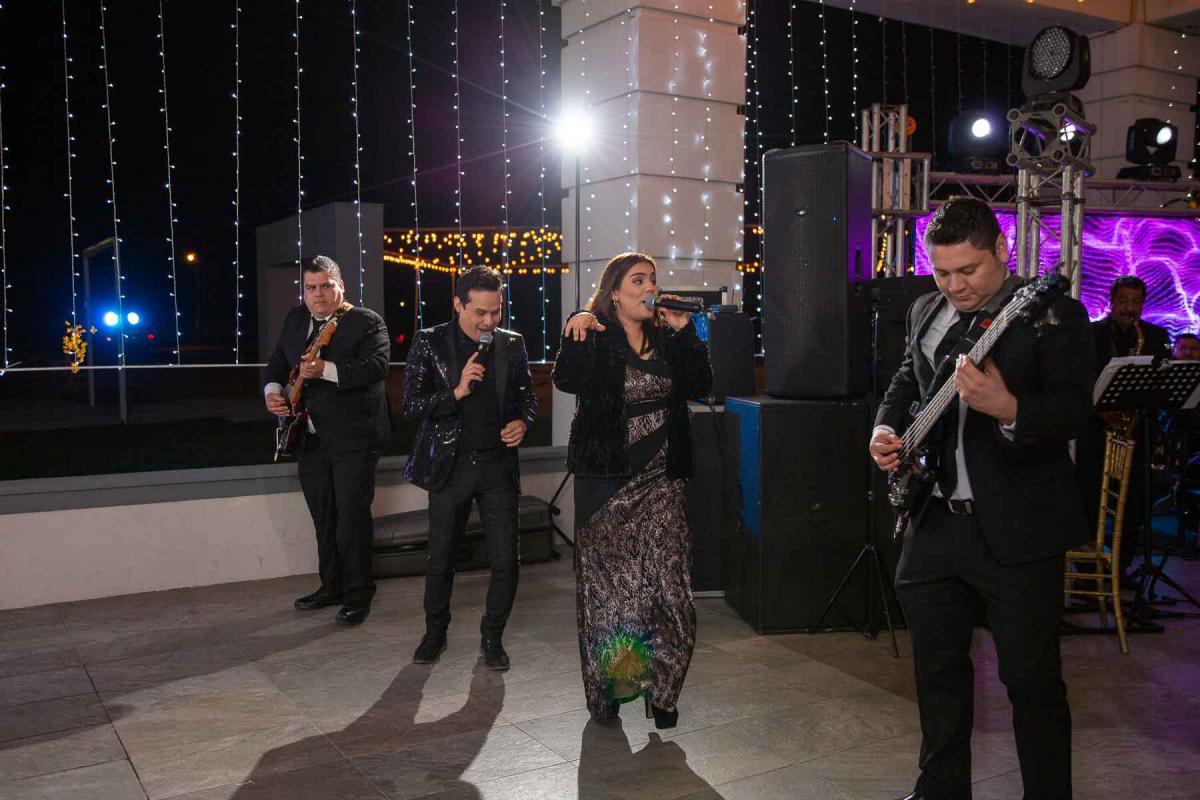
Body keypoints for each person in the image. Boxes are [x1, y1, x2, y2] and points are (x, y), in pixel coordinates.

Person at [868, 198, 1093, 800]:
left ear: (1001, 250)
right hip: (936, 519)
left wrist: (1010, 408)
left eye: (968, 270)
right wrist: (885, 429)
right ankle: (940, 790)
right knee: (937, 673)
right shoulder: (925, 309)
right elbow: (906, 380)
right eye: (942, 272)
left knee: (1031, 682)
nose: (954, 285)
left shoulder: (1053, 315)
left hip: (1020, 527)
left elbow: (1075, 410)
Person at [553, 252, 712, 729]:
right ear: (614, 294)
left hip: (663, 484)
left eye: (652, 280)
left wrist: (686, 332)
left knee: (673, 595)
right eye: (637, 281)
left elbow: (701, 385)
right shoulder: (596, 336)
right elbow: (566, 379)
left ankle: (662, 692)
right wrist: (576, 325)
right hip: (608, 487)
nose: (649, 288)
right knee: (614, 601)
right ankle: (612, 692)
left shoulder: (667, 338)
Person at [401, 266, 537, 671]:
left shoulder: (512, 343)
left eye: (496, 311)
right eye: (480, 312)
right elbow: (410, 405)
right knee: (441, 558)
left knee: (506, 561)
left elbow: (527, 399)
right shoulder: (430, 342)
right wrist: (456, 391)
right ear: (458, 304)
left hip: (497, 467)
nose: (489, 321)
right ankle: (434, 633)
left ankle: (492, 636)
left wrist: (523, 422)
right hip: (451, 466)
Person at [264, 255, 391, 625]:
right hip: (310, 437)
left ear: (341, 286)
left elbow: (378, 367)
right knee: (323, 516)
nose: (317, 294)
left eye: (325, 286)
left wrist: (326, 369)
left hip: (355, 437)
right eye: (310, 288)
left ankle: (358, 594)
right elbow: (278, 360)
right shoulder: (295, 319)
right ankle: (331, 586)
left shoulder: (366, 321)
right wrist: (273, 392)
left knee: (351, 517)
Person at [1076, 275, 1172, 578]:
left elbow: (1162, 386)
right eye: (1123, 301)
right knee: (1090, 501)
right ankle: (1089, 574)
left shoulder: (1155, 336)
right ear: (1112, 302)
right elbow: (1078, 380)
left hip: (1135, 432)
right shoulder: (1091, 334)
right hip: (1096, 431)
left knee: (1133, 504)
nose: (1130, 308)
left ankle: (1121, 570)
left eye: (1136, 302)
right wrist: (1101, 410)